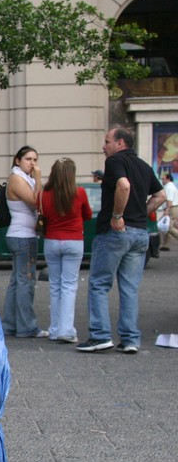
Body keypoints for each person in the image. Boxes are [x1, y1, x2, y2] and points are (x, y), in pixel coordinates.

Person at [77, 127, 165, 354]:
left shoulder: (115, 162)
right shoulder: (145, 166)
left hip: (115, 233)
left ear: (120, 143)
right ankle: (130, 339)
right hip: (139, 233)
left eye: (107, 142)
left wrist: (118, 216)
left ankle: (100, 336)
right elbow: (160, 195)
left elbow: (123, 185)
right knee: (129, 288)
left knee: (99, 284)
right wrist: (141, 214)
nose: (103, 146)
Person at [39, 158, 92, 344]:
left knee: (55, 285)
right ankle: (66, 329)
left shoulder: (44, 194)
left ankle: (54, 329)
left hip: (52, 240)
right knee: (69, 285)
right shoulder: (79, 192)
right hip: (74, 240)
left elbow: (43, 215)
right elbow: (88, 215)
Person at [2, 145, 47, 338]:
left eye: (35, 159)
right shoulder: (17, 179)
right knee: (25, 282)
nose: (33, 164)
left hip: (23, 235)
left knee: (17, 281)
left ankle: (11, 324)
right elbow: (37, 201)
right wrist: (38, 179)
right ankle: (26, 326)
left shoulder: (21, 177)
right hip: (23, 236)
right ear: (17, 160)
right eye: (28, 159)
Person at [158, 172, 178, 251]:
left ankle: (165, 244)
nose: (162, 180)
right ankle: (165, 245)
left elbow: (169, 200)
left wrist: (167, 209)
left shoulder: (168, 187)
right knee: (166, 226)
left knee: (169, 227)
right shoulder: (172, 186)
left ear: (168, 179)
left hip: (171, 208)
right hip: (174, 208)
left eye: (163, 179)